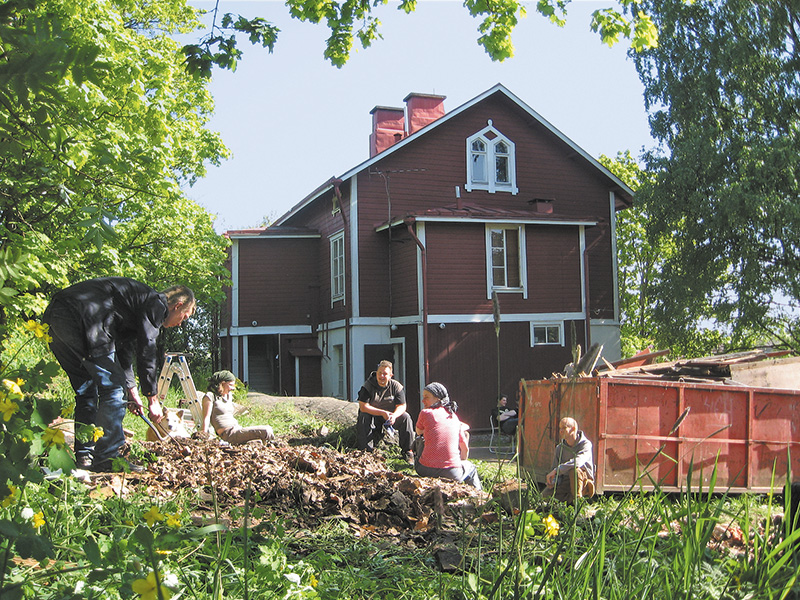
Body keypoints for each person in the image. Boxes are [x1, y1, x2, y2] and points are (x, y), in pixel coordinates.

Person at [43, 277, 196, 472]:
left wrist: (131, 389)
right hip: (83, 319)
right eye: (185, 317)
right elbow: (146, 348)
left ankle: (85, 457)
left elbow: (123, 350)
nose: (181, 324)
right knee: (113, 389)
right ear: (178, 306)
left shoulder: (134, 305)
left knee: (87, 390)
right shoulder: (156, 303)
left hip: (55, 318)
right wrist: (153, 399)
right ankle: (108, 457)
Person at [414, 382, 481, 490]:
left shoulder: (425, 413)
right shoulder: (453, 417)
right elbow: (464, 447)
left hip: (424, 469)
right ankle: (479, 498)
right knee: (471, 468)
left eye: (426, 397)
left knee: (420, 439)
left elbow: (418, 431)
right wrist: (461, 461)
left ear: (438, 399)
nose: (423, 401)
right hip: (452, 473)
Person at [356, 360, 415, 462]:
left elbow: (402, 405)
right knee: (363, 416)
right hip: (373, 416)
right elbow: (363, 406)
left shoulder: (396, 386)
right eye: (380, 373)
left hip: (390, 417)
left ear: (391, 375)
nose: (381, 376)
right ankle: (366, 451)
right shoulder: (367, 386)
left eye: (385, 374)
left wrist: (394, 416)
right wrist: (382, 413)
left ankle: (408, 452)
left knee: (406, 417)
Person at [200, 370, 274, 444]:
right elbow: (206, 417)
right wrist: (204, 435)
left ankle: (270, 444)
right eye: (230, 385)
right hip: (229, 434)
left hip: (237, 428)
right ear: (222, 383)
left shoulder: (229, 396)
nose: (233, 388)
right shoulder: (210, 396)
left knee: (266, 432)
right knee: (266, 430)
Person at [543, 417, 595, 503]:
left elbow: (578, 462)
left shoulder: (586, 444)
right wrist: (553, 481)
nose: (561, 431)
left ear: (573, 429)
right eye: (560, 428)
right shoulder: (560, 448)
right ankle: (569, 500)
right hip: (565, 480)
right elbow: (554, 469)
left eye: (564, 428)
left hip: (581, 478)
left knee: (574, 470)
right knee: (544, 496)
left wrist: (557, 470)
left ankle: (578, 500)